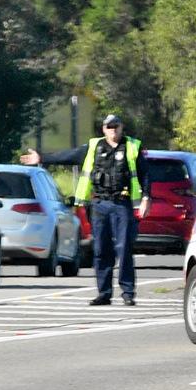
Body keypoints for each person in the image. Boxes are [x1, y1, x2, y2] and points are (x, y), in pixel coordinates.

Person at [73, 115, 142, 306]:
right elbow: (68, 156)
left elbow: (145, 174)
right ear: (103, 129)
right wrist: (42, 157)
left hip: (122, 204)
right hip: (100, 205)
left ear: (122, 128)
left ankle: (128, 293)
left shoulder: (132, 146)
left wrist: (146, 198)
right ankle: (104, 293)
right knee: (101, 249)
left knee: (124, 248)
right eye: (109, 127)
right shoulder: (95, 147)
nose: (112, 130)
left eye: (116, 126)